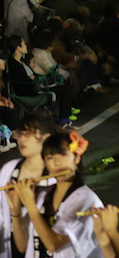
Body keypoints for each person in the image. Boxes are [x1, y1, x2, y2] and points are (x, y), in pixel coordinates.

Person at [8, 131, 103, 258]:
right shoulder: (43, 195)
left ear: (76, 158)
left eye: (63, 154)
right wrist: (15, 211)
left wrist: (30, 204)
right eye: (50, 158)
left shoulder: (87, 200)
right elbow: (23, 246)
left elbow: (53, 244)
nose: (57, 162)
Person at [0, 111, 54, 258]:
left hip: (42, 247)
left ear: (46, 137)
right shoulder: (9, 169)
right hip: (9, 244)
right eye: (20, 133)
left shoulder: (53, 175)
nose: (22, 139)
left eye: (28, 134)